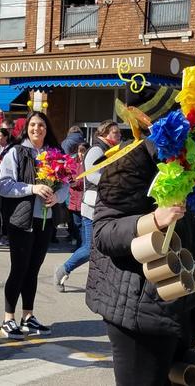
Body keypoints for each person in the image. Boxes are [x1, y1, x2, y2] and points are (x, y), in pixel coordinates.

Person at [85, 83, 195, 386]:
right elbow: (104, 232)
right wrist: (155, 218)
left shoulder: (193, 161)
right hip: (138, 310)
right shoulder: (129, 160)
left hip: (180, 301)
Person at [0, 111, 69, 339]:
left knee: (33, 270)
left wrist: (58, 197)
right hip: (22, 219)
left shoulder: (55, 154)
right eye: (33, 125)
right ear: (26, 128)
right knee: (19, 268)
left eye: (42, 126)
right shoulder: (16, 152)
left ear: (47, 130)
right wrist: (32, 188)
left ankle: (28, 317)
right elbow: (3, 186)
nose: (37, 129)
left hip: (45, 220)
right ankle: (8, 318)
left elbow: (67, 183)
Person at [55, 120, 121, 292]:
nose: (119, 135)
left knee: (104, 247)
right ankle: (63, 269)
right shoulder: (97, 150)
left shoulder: (111, 151)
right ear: (104, 134)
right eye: (115, 132)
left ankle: (103, 283)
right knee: (91, 248)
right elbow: (92, 176)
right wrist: (116, 183)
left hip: (104, 206)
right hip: (92, 208)